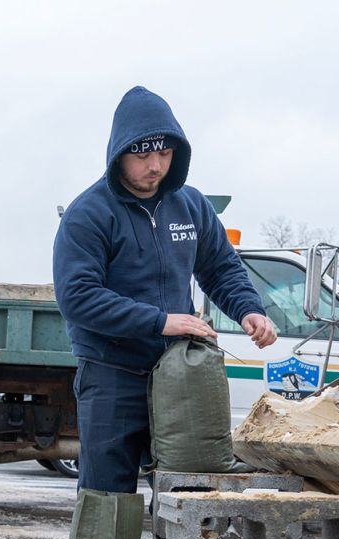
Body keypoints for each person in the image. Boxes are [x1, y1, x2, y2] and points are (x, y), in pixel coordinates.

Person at [53, 86, 277, 495]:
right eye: (142, 155)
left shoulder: (191, 206)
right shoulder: (89, 213)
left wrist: (249, 309)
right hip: (110, 375)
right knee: (106, 498)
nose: (155, 166)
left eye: (165, 154)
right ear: (119, 152)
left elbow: (222, 267)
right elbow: (77, 297)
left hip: (178, 376)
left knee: (184, 492)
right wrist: (159, 322)